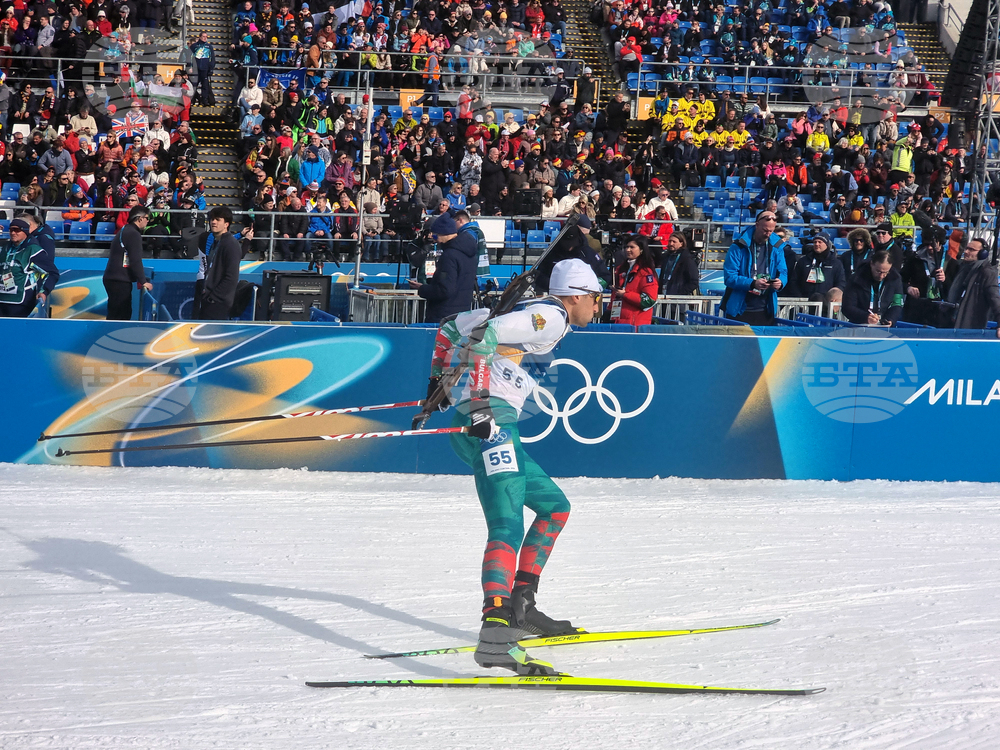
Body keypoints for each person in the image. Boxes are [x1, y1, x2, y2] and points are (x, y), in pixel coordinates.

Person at [423, 258, 602, 675]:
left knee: (554, 506)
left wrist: (438, 384)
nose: (597, 305)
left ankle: (521, 608)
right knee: (506, 525)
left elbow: (452, 326)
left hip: (485, 422)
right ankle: (496, 636)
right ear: (574, 295)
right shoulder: (551, 317)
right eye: (594, 297)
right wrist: (481, 403)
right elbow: (487, 335)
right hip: (492, 424)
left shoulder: (528, 311)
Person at [409, 212, 478, 324]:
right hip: (462, 314)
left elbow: (445, 290)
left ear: (444, 233)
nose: (434, 239)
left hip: (444, 316)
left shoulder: (449, 255)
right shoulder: (470, 253)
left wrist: (422, 289)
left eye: (435, 235)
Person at [721, 210, 788, 324]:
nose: (768, 234)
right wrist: (752, 283)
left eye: (771, 231)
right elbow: (729, 277)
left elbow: (783, 271)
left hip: (766, 309)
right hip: (739, 310)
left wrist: (780, 282)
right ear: (757, 225)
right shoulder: (738, 247)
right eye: (765, 230)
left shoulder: (777, 247)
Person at [103, 206, 152, 320]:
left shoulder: (125, 229)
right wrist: (143, 281)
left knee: (114, 314)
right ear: (139, 219)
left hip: (113, 278)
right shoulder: (134, 234)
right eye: (146, 218)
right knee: (121, 316)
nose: (147, 221)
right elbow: (135, 260)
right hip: (120, 280)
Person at [196, 206, 245, 320]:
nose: (213, 222)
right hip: (209, 299)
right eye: (212, 219)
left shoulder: (231, 244)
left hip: (218, 303)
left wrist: (213, 297)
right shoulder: (217, 242)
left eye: (218, 220)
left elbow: (231, 277)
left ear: (226, 224)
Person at [842, 249, 904, 326]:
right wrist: (866, 317)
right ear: (872, 264)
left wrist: (890, 319)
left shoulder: (895, 279)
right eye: (878, 271)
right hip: (858, 325)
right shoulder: (856, 278)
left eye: (885, 272)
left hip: (884, 326)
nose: (881, 276)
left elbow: (897, 303)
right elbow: (847, 307)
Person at [949, 238, 1000, 333]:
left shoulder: (987, 273)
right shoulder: (963, 268)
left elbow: (995, 300)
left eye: (971, 250)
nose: (966, 252)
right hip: (952, 324)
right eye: (966, 248)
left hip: (970, 329)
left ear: (983, 253)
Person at [0, 218, 48, 317]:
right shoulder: (5, 248)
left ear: (25, 231)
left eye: (17, 230)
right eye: (11, 230)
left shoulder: (33, 250)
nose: (13, 233)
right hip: (2, 300)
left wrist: (44, 291)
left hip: (21, 302)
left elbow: (50, 273)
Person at [610, 235, 658, 326]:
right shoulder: (621, 268)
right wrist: (609, 311)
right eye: (626, 247)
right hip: (619, 321)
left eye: (632, 247)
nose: (628, 250)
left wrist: (625, 294)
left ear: (641, 250)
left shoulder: (645, 272)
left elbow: (649, 301)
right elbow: (616, 295)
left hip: (636, 323)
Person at [794, 232, 845, 304]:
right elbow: (794, 281)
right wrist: (799, 297)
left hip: (827, 303)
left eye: (820, 242)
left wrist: (834, 297)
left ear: (826, 244)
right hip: (805, 302)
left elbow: (841, 283)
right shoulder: (804, 261)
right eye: (815, 242)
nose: (817, 244)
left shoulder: (836, 263)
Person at [659, 232, 699, 296]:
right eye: (670, 241)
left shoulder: (687, 259)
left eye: (674, 242)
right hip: (664, 294)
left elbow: (694, 282)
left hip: (678, 299)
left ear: (681, 244)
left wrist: (680, 292)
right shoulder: (665, 257)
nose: (671, 244)